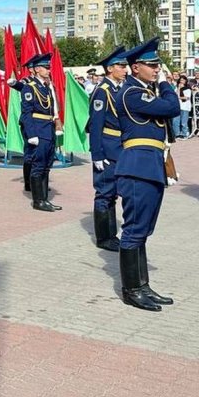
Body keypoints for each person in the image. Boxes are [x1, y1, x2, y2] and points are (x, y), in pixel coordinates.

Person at [114, 38, 180, 312]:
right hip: (137, 167)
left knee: (144, 230)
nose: (156, 69)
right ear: (135, 67)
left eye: (157, 65)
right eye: (151, 65)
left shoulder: (145, 92)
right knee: (134, 230)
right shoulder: (131, 93)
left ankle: (143, 285)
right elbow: (172, 107)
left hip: (150, 166)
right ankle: (132, 290)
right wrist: (165, 83)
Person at [87, 46, 127, 251]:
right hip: (107, 147)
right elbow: (95, 125)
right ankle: (104, 237)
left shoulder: (118, 89)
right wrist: (97, 154)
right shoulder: (102, 91)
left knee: (113, 193)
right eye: (121, 66)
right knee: (104, 192)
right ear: (110, 68)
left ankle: (111, 234)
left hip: (119, 148)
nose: (125, 69)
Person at [12, 53, 61, 211]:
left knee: (47, 164)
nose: (48, 70)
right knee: (38, 165)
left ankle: (45, 199)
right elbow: (27, 113)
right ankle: (38, 200)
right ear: (38, 69)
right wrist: (31, 134)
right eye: (46, 68)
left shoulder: (46, 86)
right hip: (38, 129)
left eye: (49, 67)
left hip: (48, 128)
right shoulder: (29, 87)